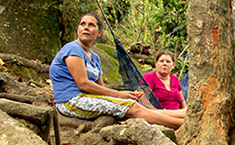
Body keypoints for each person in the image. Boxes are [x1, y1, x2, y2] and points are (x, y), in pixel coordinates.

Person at [49, 13, 185, 129]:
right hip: (71, 101)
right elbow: (83, 84)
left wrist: (118, 96)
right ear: (78, 29)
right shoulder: (73, 49)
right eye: (82, 24)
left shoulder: (95, 58)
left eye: (91, 25)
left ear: (99, 33)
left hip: (89, 98)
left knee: (135, 105)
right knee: (133, 108)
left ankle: (187, 117)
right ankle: (182, 125)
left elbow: (100, 88)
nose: (86, 27)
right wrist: (119, 95)